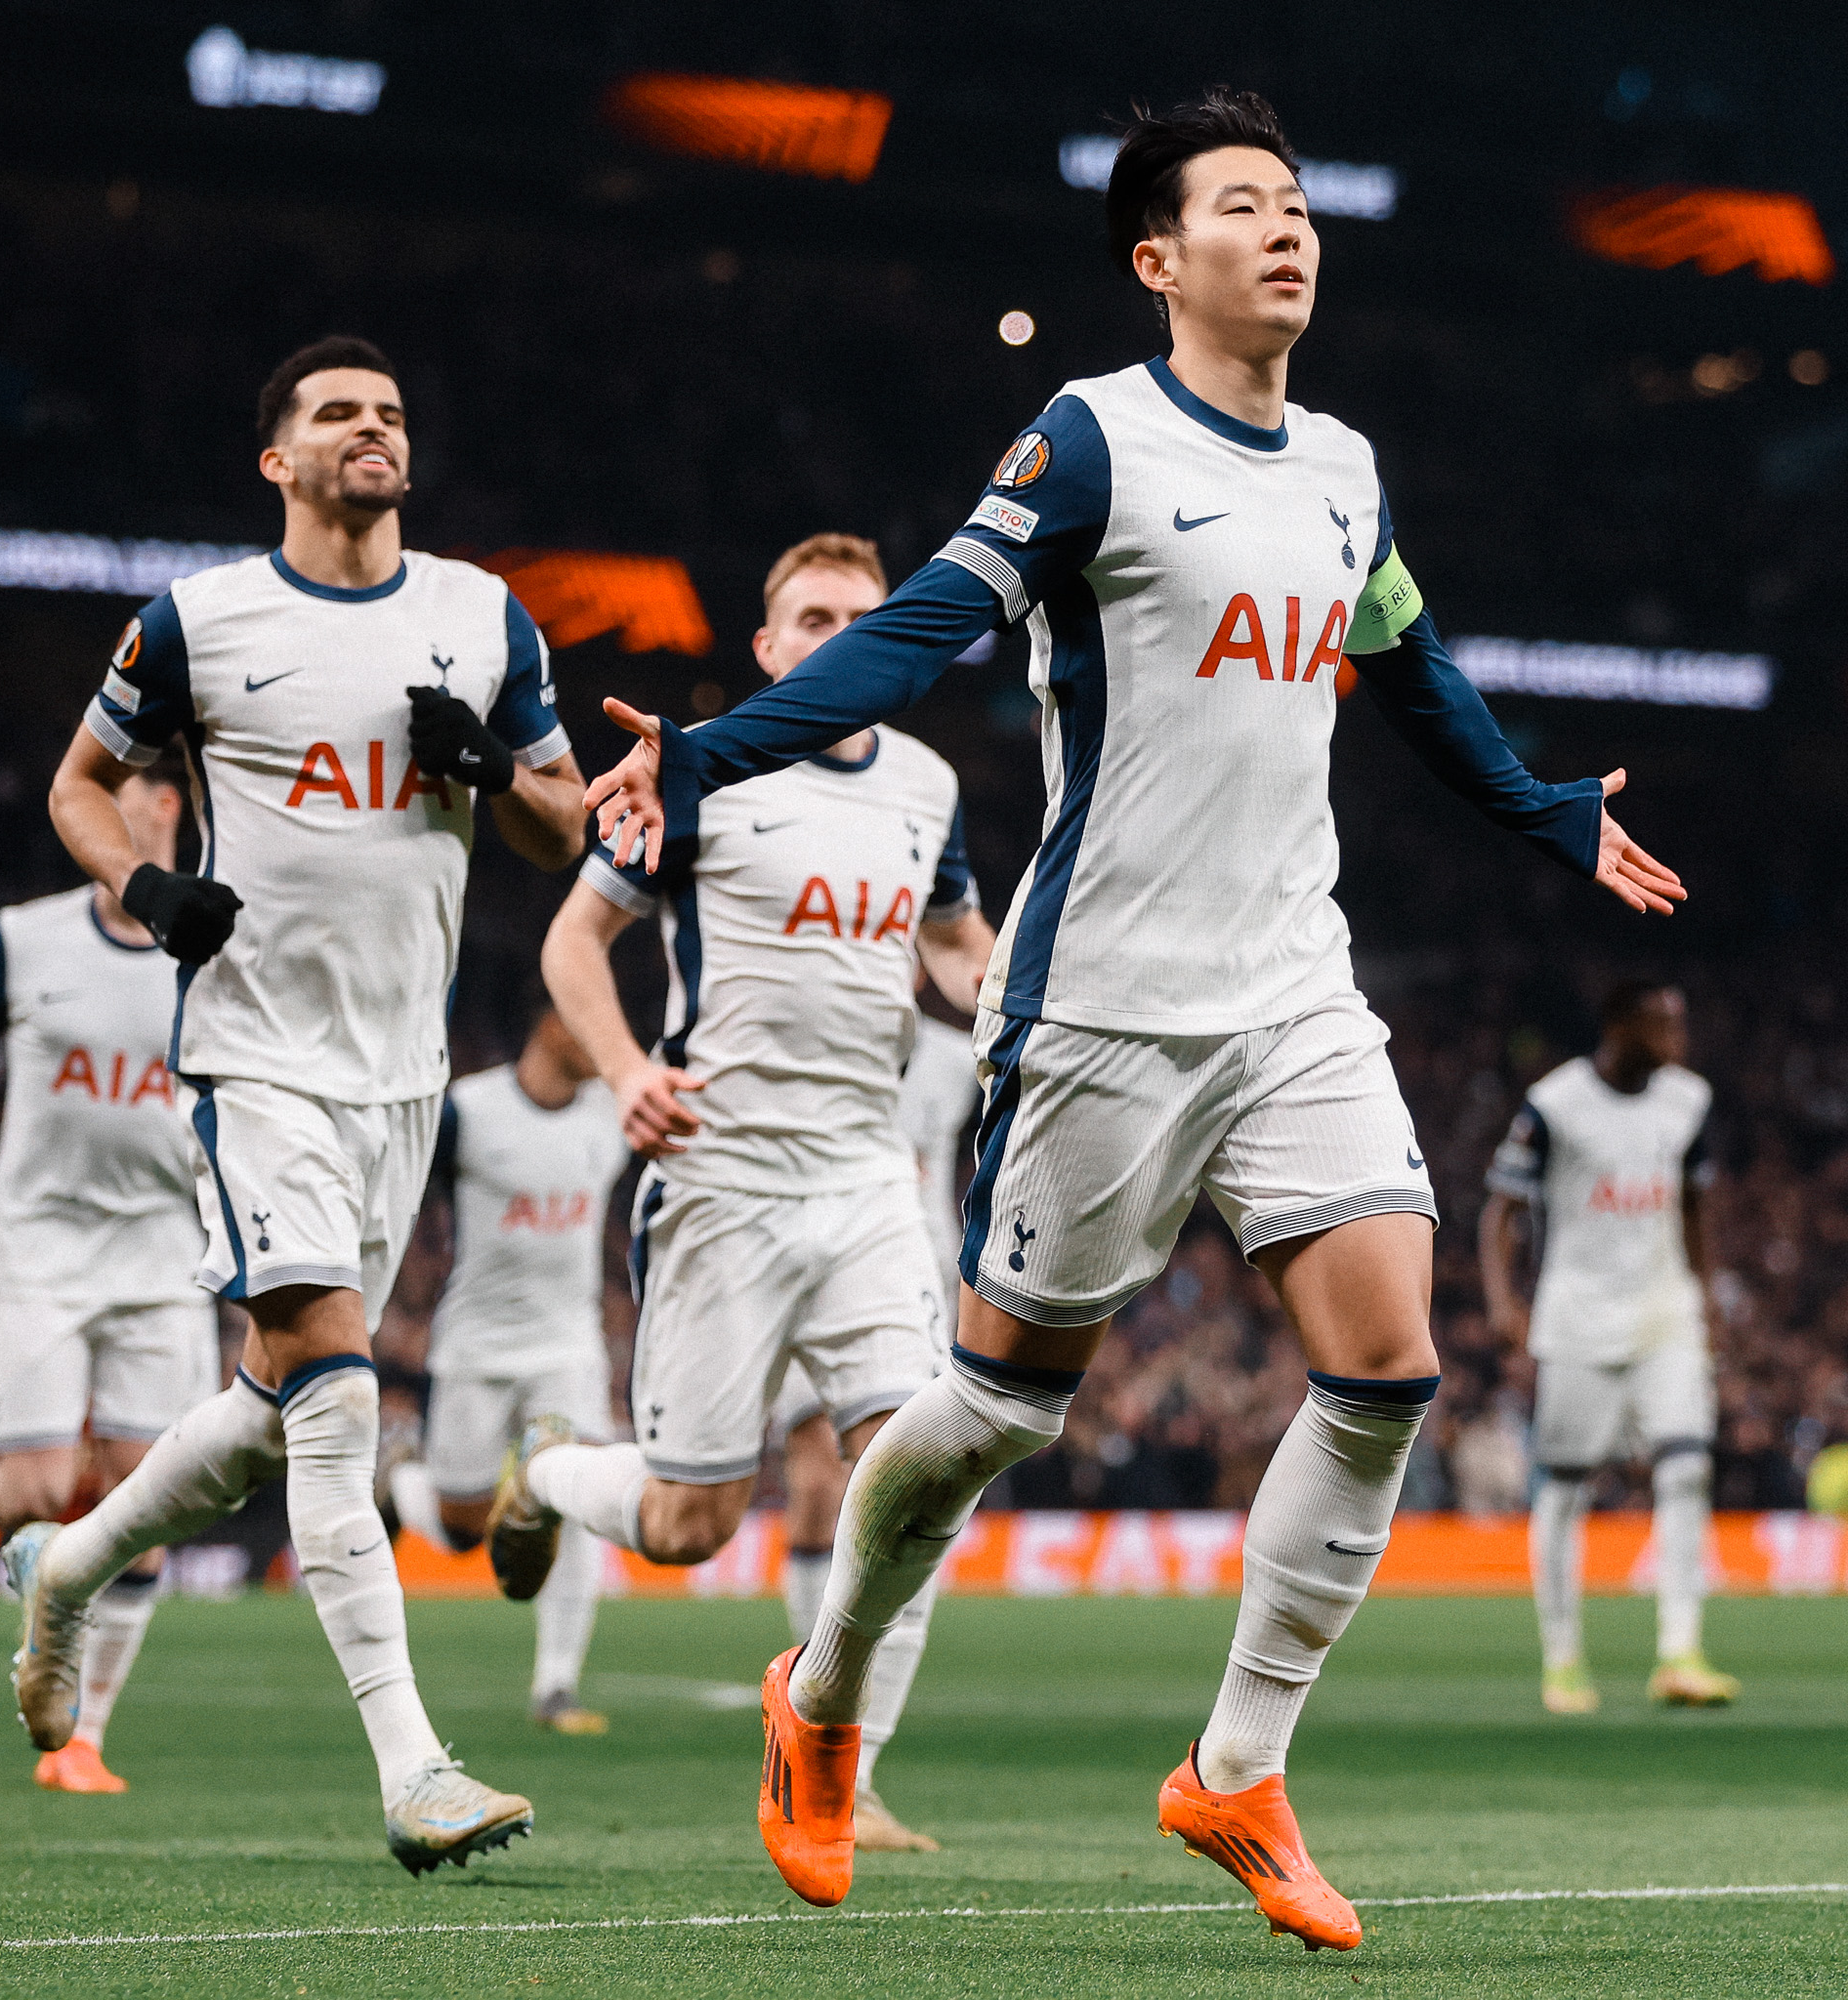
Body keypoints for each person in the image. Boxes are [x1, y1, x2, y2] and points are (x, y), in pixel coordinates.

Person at [578, 90, 1685, 1948]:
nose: (1288, 232)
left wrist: (1543, 812)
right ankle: (823, 1687)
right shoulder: (1089, 437)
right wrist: (708, 752)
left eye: (1299, 205)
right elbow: (923, 622)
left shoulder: (1342, 467)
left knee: (1388, 1362)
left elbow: (1410, 669)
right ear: (1157, 259)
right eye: (1243, 207)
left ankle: (1236, 1763)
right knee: (993, 1408)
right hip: (1095, 1001)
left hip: (1288, 992)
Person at [8, 335, 588, 1874]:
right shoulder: (198, 621)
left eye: (392, 412)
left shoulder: (483, 615)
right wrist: (143, 883)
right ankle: (415, 1768)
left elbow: (563, 823)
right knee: (338, 1394)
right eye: (339, 415)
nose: (373, 430)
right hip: (257, 1060)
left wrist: (495, 775)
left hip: (401, 1077)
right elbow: (77, 781)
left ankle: (66, 1573)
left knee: (277, 1411)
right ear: (280, 459)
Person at [501, 532, 996, 1853]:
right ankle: (549, 1472)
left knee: (924, 1469)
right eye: (811, 616)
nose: (840, 634)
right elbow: (574, 939)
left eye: (864, 617)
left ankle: (843, 1767)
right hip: (720, 1179)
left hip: (864, 1179)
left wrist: (1012, 1007)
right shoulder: (707, 767)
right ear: (770, 650)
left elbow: (952, 941)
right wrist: (621, 1073)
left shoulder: (930, 787)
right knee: (684, 1526)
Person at [0, 756, 215, 1795]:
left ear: (167, 806)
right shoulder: (27, 939)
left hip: (164, 1255)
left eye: (112, 792)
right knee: (37, 1488)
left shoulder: (212, 952)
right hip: (42, 1249)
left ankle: (82, 1736)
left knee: (146, 1500)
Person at [1481, 981, 1735, 1713]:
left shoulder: (1688, 1099)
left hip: (1666, 1314)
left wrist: (1705, 1296)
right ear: (1620, 1026)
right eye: (1664, 1024)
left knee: (1686, 1468)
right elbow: (1502, 1204)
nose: (1678, 1037)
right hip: (1579, 1319)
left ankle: (1680, 1653)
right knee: (1565, 1486)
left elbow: (1694, 1200)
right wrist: (1504, 1300)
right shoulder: (1556, 1105)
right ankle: (1563, 1660)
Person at [773, 979, 981, 1854]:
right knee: (810, 1487)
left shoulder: (952, 1058)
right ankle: (818, 1701)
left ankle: (846, 1766)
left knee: (906, 1492)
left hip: (916, 1284)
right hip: (811, 1270)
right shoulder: (810, 1024)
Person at [388, 1000, 630, 1735]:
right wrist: (405, 1307)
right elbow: (401, 1202)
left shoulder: (615, 1113)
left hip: (568, 1345)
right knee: (465, 1530)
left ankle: (557, 1685)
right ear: (553, 1020)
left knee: (575, 1503)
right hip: (475, 1345)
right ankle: (397, 1477)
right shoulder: (466, 1112)